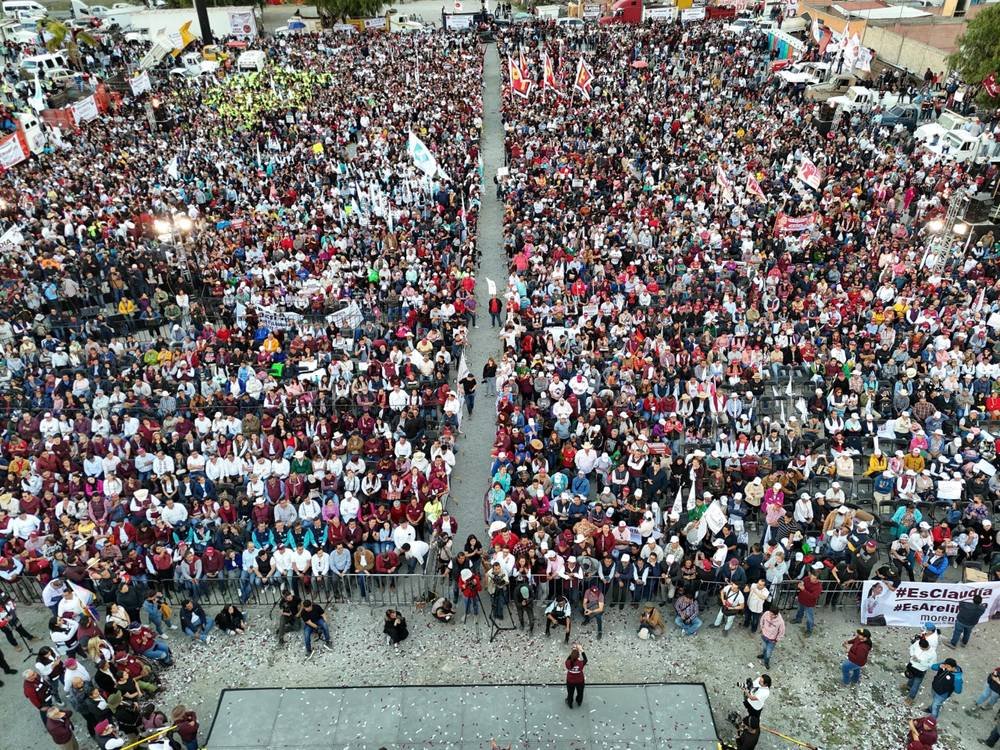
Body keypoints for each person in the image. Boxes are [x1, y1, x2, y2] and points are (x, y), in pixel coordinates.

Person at [903, 635, 937, 704]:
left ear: (926, 647)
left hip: (920, 670)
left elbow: (932, 665)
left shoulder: (933, 654)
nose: (921, 649)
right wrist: (912, 655)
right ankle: (908, 686)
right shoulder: (918, 643)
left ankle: (911, 698)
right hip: (912, 665)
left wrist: (920, 662)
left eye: (922, 649)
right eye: (920, 648)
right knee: (910, 676)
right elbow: (912, 648)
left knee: (916, 684)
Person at [792, 568, 822, 636]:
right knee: (799, 611)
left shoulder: (819, 587)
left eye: (814, 578)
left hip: (809, 604)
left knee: (809, 618)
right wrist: (800, 584)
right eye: (811, 577)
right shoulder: (807, 578)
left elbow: (813, 596)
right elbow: (802, 582)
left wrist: (803, 589)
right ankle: (798, 619)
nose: (811, 579)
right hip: (801, 599)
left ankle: (809, 630)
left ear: (818, 579)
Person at [758, 605, 785, 669]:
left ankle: (766, 662)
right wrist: (762, 628)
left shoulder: (780, 622)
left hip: (772, 640)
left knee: (768, 652)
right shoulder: (766, 613)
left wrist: (776, 640)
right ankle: (763, 655)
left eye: (772, 614)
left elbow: (781, 632)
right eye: (770, 613)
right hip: (764, 636)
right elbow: (762, 620)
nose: (770, 615)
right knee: (764, 647)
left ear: (776, 615)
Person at [564, 643, 587, 709]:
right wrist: (581, 650)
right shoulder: (580, 663)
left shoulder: (567, 663)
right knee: (580, 692)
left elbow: (568, 658)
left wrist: (573, 650)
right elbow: (586, 659)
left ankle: (570, 703)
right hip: (580, 680)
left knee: (570, 693)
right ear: (578, 657)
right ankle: (579, 701)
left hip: (570, 681)